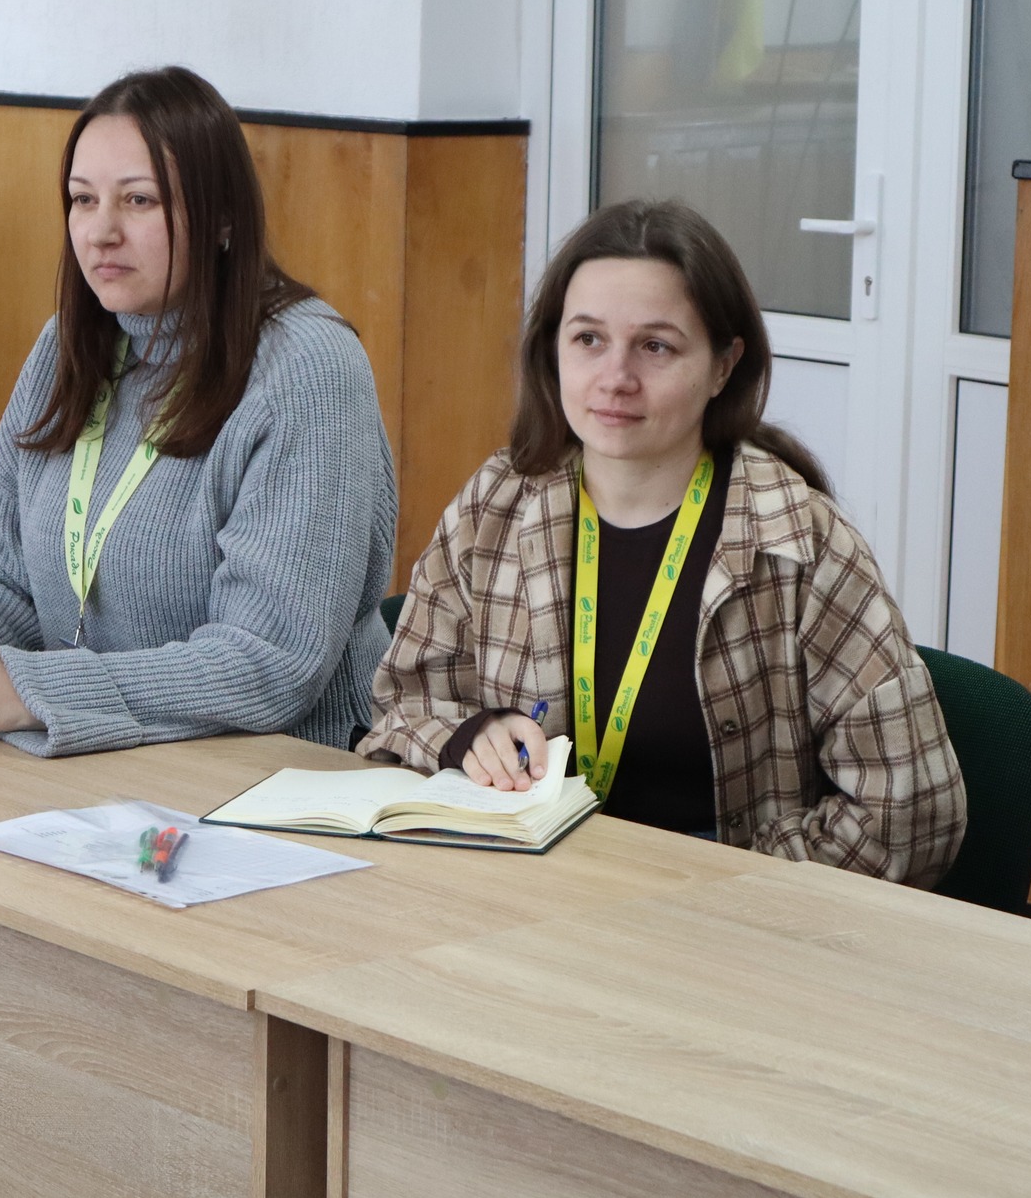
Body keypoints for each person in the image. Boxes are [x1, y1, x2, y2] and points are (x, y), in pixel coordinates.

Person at [358, 199, 964, 886]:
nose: (615, 378)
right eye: (589, 339)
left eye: (656, 346)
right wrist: (468, 737)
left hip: (721, 918)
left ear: (723, 365)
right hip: (523, 889)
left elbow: (910, 811)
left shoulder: (797, 540)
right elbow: (400, 709)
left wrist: (734, 886)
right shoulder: (495, 505)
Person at [0, 66, 397, 756]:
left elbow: (267, 663)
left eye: (139, 200)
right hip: (102, 765)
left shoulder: (307, 368)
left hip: (279, 775)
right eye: (82, 199)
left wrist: (20, 690)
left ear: (223, 218)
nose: (101, 231)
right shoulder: (70, 343)